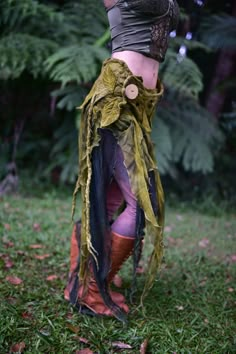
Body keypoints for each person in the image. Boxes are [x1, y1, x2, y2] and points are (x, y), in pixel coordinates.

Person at [64, 0, 179, 322]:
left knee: (111, 194)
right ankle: (90, 288)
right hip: (118, 98)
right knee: (143, 202)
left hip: (140, 105)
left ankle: (82, 274)